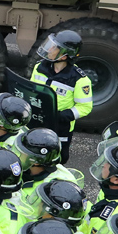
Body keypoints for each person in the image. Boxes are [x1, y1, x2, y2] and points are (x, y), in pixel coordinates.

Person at [30, 30, 92, 163]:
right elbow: (32, 90)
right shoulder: (39, 68)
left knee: (57, 159)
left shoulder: (80, 80)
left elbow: (85, 107)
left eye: (55, 47)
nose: (50, 49)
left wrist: (63, 116)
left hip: (60, 127)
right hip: (38, 120)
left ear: (64, 56)